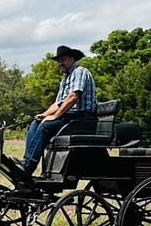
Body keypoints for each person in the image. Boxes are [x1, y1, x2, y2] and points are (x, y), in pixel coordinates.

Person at [21, 45, 97, 175]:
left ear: (72, 59)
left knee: (46, 126)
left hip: (82, 117)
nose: (60, 63)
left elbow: (73, 97)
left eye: (63, 60)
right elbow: (58, 103)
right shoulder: (66, 79)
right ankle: (25, 162)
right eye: (58, 61)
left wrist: (55, 117)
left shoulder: (80, 72)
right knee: (36, 123)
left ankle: (28, 167)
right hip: (71, 115)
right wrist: (44, 115)